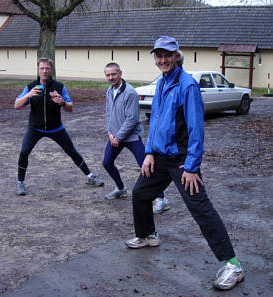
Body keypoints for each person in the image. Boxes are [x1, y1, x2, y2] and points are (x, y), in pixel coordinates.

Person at [125, 36, 244, 290]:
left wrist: (191, 167)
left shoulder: (187, 85)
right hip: (159, 156)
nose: (163, 60)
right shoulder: (163, 83)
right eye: (158, 56)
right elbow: (155, 122)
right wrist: (148, 152)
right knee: (140, 194)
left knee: (200, 208)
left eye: (167, 55)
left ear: (177, 56)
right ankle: (148, 235)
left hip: (181, 160)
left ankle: (233, 264)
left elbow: (196, 130)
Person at [14, 57, 103, 195]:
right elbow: (16, 105)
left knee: (71, 151)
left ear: (51, 70)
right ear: (38, 70)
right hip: (35, 128)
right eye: (42, 68)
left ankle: (90, 176)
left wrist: (62, 103)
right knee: (24, 152)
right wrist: (28, 96)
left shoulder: (59, 87)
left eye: (47, 68)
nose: (44, 71)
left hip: (56, 128)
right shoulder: (31, 87)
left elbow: (70, 108)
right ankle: (20, 183)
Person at [102, 62, 168, 213]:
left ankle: (161, 199)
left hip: (131, 137)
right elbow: (108, 113)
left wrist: (118, 137)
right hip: (115, 136)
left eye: (114, 74)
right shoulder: (109, 90)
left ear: (120, 73)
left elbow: (132, 119)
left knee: (145, 165)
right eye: (108, 75)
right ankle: (120, 188)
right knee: (107, 162)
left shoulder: (130, 92)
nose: (111, 77)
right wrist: (110, 133)